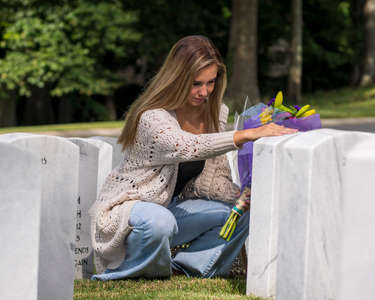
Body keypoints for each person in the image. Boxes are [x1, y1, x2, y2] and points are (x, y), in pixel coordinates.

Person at [89, 35, 297, 280]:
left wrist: (244, 197)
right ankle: (131, 271)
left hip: (172, 211)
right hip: (129, 212)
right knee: (160, 222)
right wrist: (244, 134)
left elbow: (212, 179)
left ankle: (187, 268)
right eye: (196, 83)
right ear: (177, 79)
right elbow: (188, 146)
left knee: (241, 211)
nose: (205, 91)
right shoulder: (152, 117)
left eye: (211, 82)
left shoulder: (214, 112)